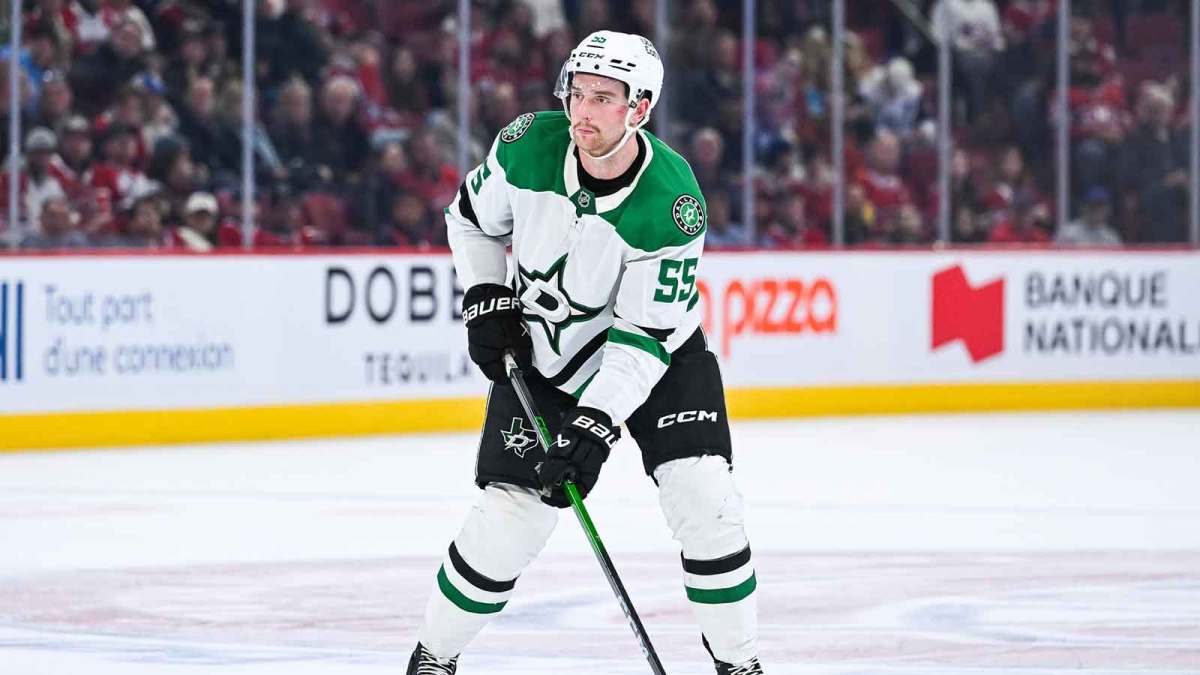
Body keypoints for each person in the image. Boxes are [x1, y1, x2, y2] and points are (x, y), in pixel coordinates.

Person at [410, 30, 764, 675]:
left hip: (660, 363)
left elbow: (641, 339)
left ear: (640, 109)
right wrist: (487, 291)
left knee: (705, 501)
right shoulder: (527, 145)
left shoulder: (672, 203)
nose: (583, 111)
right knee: (509, 518)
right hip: (549, 357)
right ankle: (433, 659)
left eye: (604, 98)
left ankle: (739, 664)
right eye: (578, 92)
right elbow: (470, 220)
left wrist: (593, 429)